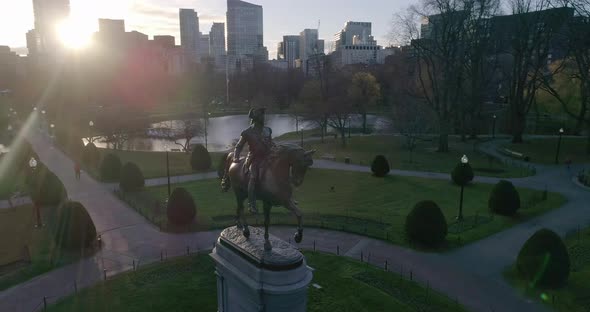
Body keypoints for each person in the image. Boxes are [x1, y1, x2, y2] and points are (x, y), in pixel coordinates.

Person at [232, 108, 273, 213]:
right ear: (255, 118)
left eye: (263, 115)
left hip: (268, 157)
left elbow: (271, 143)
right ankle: (251, 204)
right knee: (253, 177)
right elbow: (238, 146)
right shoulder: (247, 132)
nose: (263, 117)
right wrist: (235, 157)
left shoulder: (268, 130)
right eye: (261, 116)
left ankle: (286, 196)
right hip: (254, 159)